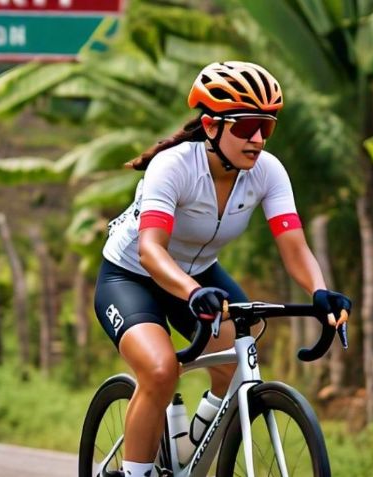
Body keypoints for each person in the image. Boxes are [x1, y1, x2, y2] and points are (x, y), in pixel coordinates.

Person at [93, 61, 352, 477]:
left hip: (200, 275)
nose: (257, 139)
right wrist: (193, 293)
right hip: (133, 276)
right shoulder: (174, 166)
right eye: (246, 126)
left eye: (266, 128)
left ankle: (191, 442)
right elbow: (151, 251)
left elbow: (295, 247)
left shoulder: (268, 172)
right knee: (160, 371)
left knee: (237, 359)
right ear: (212, 125)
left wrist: (320, 292)